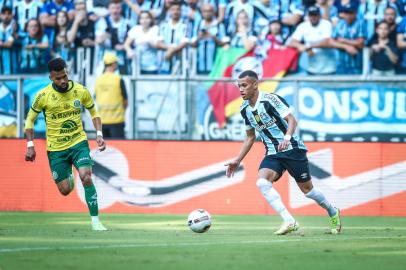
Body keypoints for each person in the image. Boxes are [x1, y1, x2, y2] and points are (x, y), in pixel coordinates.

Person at [226, 70, 341, 235]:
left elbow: (292, 120)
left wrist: (287, 138)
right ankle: (289, 221)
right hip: (273, 153)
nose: (241, 89)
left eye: (244, 85)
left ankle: (332, 211)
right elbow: (250, 137)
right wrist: (237, 160)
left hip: (292, 148)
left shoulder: (270, 100)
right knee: (262, 182)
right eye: (239, 86)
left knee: (308, 191)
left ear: (255, 84)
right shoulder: (244, 109)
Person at [24, 57, 108, 231]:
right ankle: (69, 175)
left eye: (64, 76)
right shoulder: (43, 96)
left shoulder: (80, 91)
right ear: (50, 78)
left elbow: (94, 112)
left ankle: (96, 221)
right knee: (64, 190)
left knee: (86, 176)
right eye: (58, 78)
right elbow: (30, 120)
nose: (63, 81)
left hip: (78, 143)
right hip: (56, 149)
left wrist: (99, 134)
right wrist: (30, 145)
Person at [94, 52, 128, 138]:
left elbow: (96, 98)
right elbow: (125, 101)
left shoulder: (98, 80)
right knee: (118, 149)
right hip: (117, 121)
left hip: (102, 122)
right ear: (113, 64)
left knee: (104, 150)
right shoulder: (118, 79)